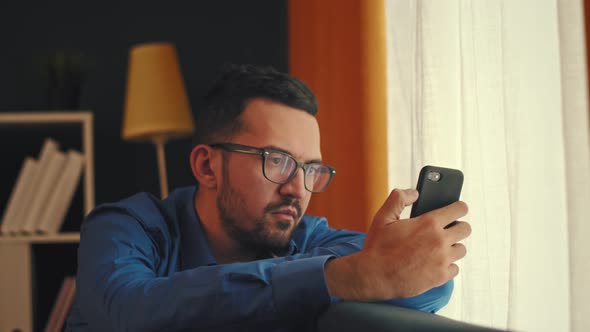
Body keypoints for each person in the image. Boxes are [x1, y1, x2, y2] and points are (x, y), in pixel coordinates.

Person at [66, 64, 471, 332]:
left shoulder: (309, 239)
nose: (298, 189)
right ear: (208, 167)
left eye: (312, 169)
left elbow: (426, 287)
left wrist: (383, 266)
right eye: (277, 161)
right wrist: (344, 277)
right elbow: (129, 311)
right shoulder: (126, 227)